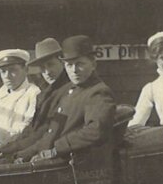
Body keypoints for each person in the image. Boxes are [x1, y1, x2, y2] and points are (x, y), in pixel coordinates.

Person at [12, 35, 116, 163]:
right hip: (53, 159)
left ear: (93, 64)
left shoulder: (98, 92)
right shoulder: (71, 92)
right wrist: (23, 154)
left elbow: (96, 130)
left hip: (73, 165)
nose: (74, 70)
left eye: (80, 64)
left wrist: (56, 150)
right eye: (69, 65)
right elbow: (51, 134)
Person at [0, 37, 70, 157]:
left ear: (62, 61)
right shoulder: (45, 93)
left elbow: (46, 131)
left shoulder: (69, 90)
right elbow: (33, 128)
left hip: (52, 152)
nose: (47, 71)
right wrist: (12, 147)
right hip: (35, 146)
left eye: (51, 64)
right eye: (42, 68)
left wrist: (19, 151)